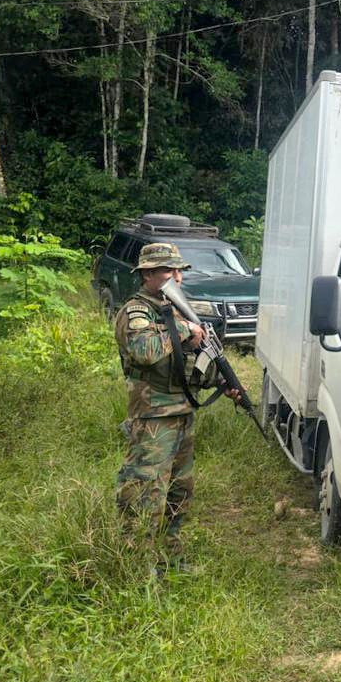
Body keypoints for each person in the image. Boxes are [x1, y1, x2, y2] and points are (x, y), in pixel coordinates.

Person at [113, 241, 239, 575]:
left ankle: (171, 558)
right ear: (149, 274)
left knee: (178, 493)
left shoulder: (178, 309)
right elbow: (145, 351)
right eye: (170, 271)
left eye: (179, 271)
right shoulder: (136, 311)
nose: (178, 278)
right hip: (153, 417)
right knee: (143, 492)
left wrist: (221, 383)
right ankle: (138, 569)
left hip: (182, 413)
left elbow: (191, 364)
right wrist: (185, 330)